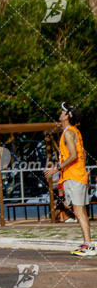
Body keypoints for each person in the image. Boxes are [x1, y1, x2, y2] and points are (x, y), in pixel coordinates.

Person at [45, 102, 95, 256]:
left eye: (63, 111)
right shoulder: (73, 131)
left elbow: (73, 156)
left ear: (67, 116)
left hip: (75, 176)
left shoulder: (68, 132)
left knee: (79, 212)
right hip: (75, 175)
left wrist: (56, 168)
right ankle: (87, 243)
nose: (61, 113)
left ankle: (89, 245)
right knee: (80, 211)